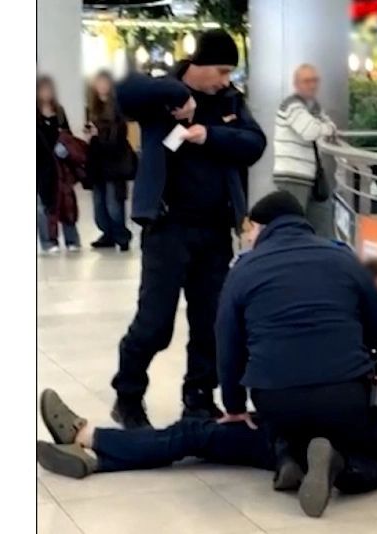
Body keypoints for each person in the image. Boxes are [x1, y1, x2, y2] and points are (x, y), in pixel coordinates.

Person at [110, 29, 267, 429]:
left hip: (214, 231)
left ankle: (198, 398)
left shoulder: (231, 101)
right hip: (167, 229)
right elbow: (124, 91)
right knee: (154, 323)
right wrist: (178, 94)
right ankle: (128, 396)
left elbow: (254, 143)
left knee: (211, 322)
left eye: (231, 72)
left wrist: (208, 135)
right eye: (221, 70)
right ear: (199, 64)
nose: (226, 80)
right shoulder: (161, 95)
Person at [216, 191, 377, 516]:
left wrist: (234, 406)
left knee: (287, 424)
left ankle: (290, 457)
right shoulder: (343, 258)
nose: (249, 237)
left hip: (274, 396)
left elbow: (227, 341)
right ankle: (340, 464)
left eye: (250, 230)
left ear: (263, 227)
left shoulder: (243, 270)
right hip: (345, 390)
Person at [36, 375, 377, 501]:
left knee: (195, 434)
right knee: (198, 440)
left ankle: (87, 437)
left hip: (295, 430)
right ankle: (95, 458)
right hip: (342, 450)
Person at [273, 64, 337, 236]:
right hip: (292, 176)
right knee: (294, 229)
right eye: (307, 81)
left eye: (315, 80)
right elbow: (310, 132)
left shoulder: (314, 106)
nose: (312, 85)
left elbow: (330, 125)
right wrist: (324, 127)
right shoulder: (291, 105)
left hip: (311, 177)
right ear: (296, 84)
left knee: (322, 227)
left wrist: (323, 127)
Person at [84, 70, 136, 252]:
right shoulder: (92, 107)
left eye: (105, 82)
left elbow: (118, 135)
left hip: (115, 160)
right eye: (98, 82)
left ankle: (121, 235)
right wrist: (90, 135)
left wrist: (98, 133)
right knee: (99, 203)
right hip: (97, 160)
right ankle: (108, 234)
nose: (101, 86)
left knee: (114, 202)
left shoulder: (118, 107)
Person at [36, 75, 82, 254]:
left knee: (66, 201)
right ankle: (48, 241)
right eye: (42, 89)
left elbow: (67, 134)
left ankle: (72, 239)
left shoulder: (59, 111)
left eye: (49, 89)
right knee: (43, 205)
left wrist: (65, 146)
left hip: (60, 164)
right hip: (40, 164)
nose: (46, 93)